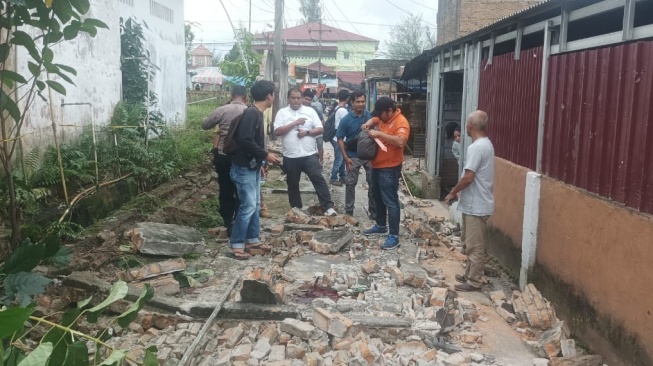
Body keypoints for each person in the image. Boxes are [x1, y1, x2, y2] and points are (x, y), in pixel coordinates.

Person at [227, 80, 281, 260]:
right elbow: (246, 140)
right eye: (273, 94)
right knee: (248, 205)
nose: (273, 97)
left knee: (255, 204)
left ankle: (252, 239)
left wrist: (261, 163)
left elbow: (252, 143)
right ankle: (236, 245)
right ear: (269, 96)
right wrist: (266, 155)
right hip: (243, 168)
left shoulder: (257, 113)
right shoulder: (252, 114)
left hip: (252, 167)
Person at [445, 110, 495, 291]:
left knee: (474, 245)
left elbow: (468, 177)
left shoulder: (476, 148)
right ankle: (468, 274)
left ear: (470, 126)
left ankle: (474, 281)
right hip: (475, 203)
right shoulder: (485, 144)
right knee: (467, 241)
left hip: (477, 204)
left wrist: (453, 191)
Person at [274, 88, 337, 216]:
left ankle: (328, 207)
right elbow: (277, 131)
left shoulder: (310, 111)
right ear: (288, 98)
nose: (296, 100)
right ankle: (296, 209)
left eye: (298, 98)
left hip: (309, 154)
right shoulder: (282, 113)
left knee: (317, 178)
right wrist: (295, 123)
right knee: (292, 183)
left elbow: (320, 129)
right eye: (293, 98)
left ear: (302, 98)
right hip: (290, 155)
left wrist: (307, 132)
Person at [361, 97, 410, 250]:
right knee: (377, 196)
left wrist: (379, 135)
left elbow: (401, 141)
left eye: (381, 114)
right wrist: (368, 123)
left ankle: (394, 236)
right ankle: (381, 225)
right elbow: (374, 118)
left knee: (390, 201)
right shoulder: (382, 117)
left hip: (390, 168)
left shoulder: (401, 122)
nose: (379, 117)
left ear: (389, 111)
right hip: (376, 166)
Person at [201, 86, 248, 235]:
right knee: (242, 189)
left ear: (231, 95)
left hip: (223, 155)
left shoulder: (222, 110)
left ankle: (227, 221)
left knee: (225, 187)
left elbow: (205, 125)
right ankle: (240, 220)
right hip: (243, 156)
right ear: (246, 98)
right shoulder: (249, 111)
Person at [336, 91, 376, 219]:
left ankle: (373, 211)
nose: (361, 104)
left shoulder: (370, 117)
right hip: (353, 156)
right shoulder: (346, 119)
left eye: (363, 101)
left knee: (373, 184)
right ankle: (349, 211)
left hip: (370, 157)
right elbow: (340, 139)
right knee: (350, 184)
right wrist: (346, 158)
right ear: (352, 103)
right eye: (358, 102)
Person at [330, 90, 350, 186]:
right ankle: (333, 177)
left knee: (341, 158)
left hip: (337, 138)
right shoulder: (343, 110)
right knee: (339, 158)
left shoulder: (338, 107)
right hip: (340, 138)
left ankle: (342, 176)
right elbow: (346, 125)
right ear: (347, 98)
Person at [302, 89, 325, 165]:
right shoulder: (298, 109)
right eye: (306, 99)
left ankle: (321, 162)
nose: (307, 101)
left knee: (320, 146)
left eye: (309, 100)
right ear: (302, 98)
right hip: (305, 133)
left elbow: (322, 120)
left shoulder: (314, 109)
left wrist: (317, 129)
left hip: (316, 131)